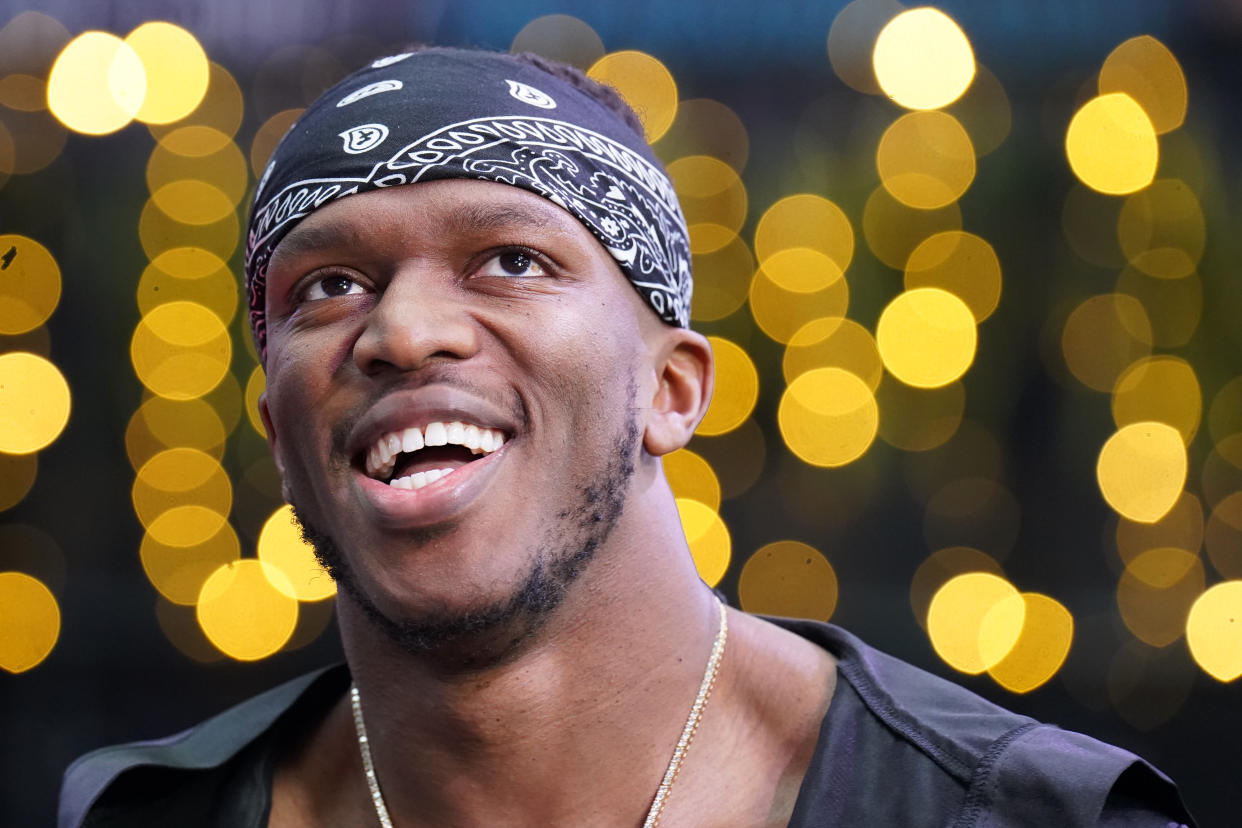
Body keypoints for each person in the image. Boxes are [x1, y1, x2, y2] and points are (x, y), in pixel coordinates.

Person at [59, 47, 1195, 827]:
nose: (401, 332)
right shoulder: (145, 815)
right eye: (331, 285)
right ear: (279, 432)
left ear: (673, 388)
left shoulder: (1017, 814)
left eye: (511, 260)